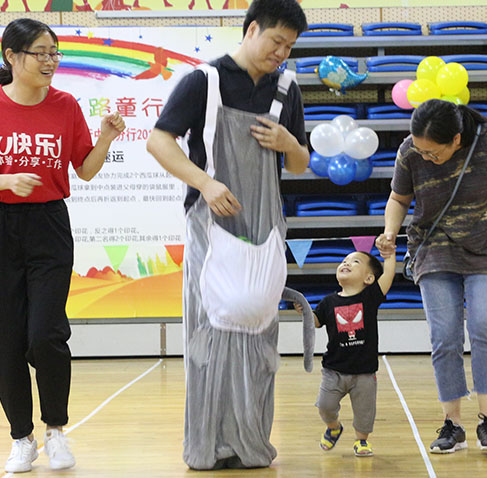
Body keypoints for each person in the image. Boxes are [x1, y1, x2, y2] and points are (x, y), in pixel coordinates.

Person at [0, 18, 125, 473]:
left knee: (46, 335)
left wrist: (106, 137)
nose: (50, 60)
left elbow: (84, 170)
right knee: (3, 340)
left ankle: (55, 430)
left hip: (49, 225)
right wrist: (8, 179)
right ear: (12, 57)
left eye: (55, 52)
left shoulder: (65, 105)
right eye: (40, 52)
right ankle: (21, 438)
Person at [146, 0, 308, 469]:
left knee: (259, 334)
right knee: (209, 333)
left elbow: (299, 165)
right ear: (251, 28)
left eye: (289, 47)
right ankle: (207, 446)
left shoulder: (287, 88)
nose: (281, 53)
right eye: (276, 41)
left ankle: (249, 442)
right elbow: (159, 140)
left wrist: (289, 144)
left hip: (264, 226)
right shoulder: (205, 81)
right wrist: (205, 182)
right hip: (211, 224)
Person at [375, 99, 487, 454]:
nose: (424, 157)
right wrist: (390, 230)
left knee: (484, 326)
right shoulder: (411, 149)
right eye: (420, 149)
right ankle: (452, 424)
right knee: (444, 335)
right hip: (433, 248)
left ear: (456, 140)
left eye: (433, 153)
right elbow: (398, 197)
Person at [296, 250, 395, 457]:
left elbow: (387, 276)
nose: (346, 263)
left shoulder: (370, 297)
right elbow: (315, 322)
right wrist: (305, 312)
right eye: (344, 260)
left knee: (364, 412)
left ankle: (361, 441)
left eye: (355, 261)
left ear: (369, 278)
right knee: (325, 406)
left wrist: (390, 255)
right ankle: (333, 427)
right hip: (334, 370)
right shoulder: (328, 302)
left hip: (365, 373)